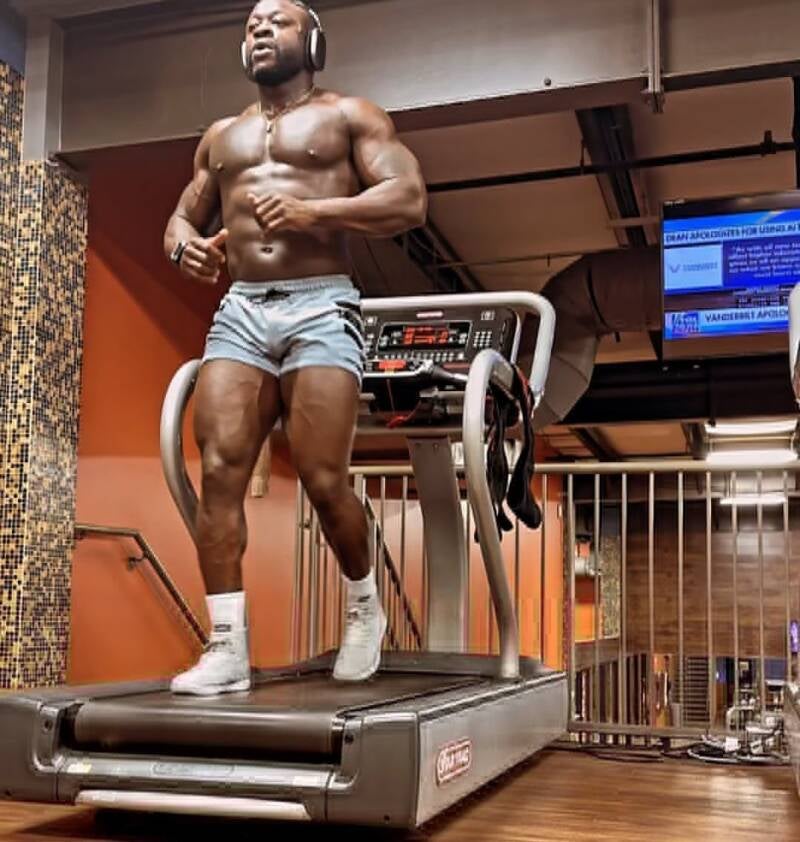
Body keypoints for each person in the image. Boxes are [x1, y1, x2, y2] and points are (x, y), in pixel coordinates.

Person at [163, 0, 427, 695]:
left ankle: (365, 608)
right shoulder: (221, 137)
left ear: (311, 40)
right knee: (218, 470)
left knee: (321, 475)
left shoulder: (350, 116)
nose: (257, 29)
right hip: (243, 310)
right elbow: (183, 217)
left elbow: (409, 198)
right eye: (250, 23)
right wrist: (183, 247)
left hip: (323, 302)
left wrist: (317, 212)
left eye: (274, 21)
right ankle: (225, 649)